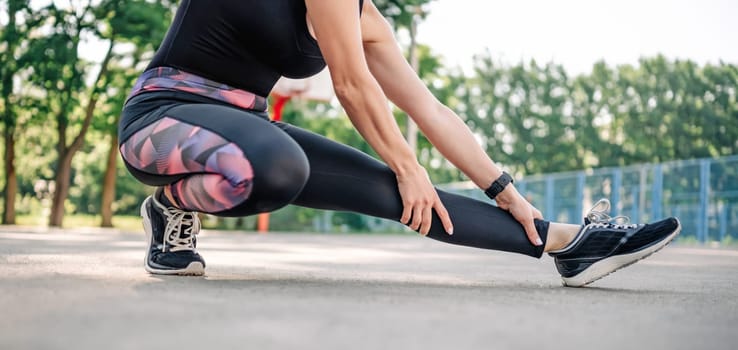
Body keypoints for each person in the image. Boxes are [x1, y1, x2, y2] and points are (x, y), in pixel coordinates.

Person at [118, 0, 680, 287]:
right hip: (162, 120)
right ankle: (169, 206)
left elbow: (429, 108)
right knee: (278, 166)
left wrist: (502, 186)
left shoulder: (366, 17)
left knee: (396, 193)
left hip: (250, 133)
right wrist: (407, 162)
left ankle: (567, 245)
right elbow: (351, 85)